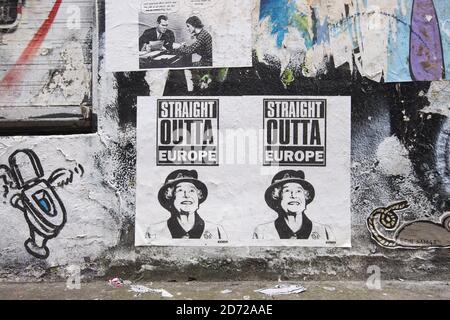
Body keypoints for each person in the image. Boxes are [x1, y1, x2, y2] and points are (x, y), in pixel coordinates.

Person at [253, 170, 334, 241]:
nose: (294, 195)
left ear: (305, 197)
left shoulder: (324, 231)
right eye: (287, 191)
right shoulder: (262, 233)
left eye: (299, 191)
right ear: (277, 197)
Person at [146, 170, 227, 240]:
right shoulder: (153, 232)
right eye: (180, 190)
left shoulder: (217, 231)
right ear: (170, 197)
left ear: (198, 196)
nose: (187, 195)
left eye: (192, 190)